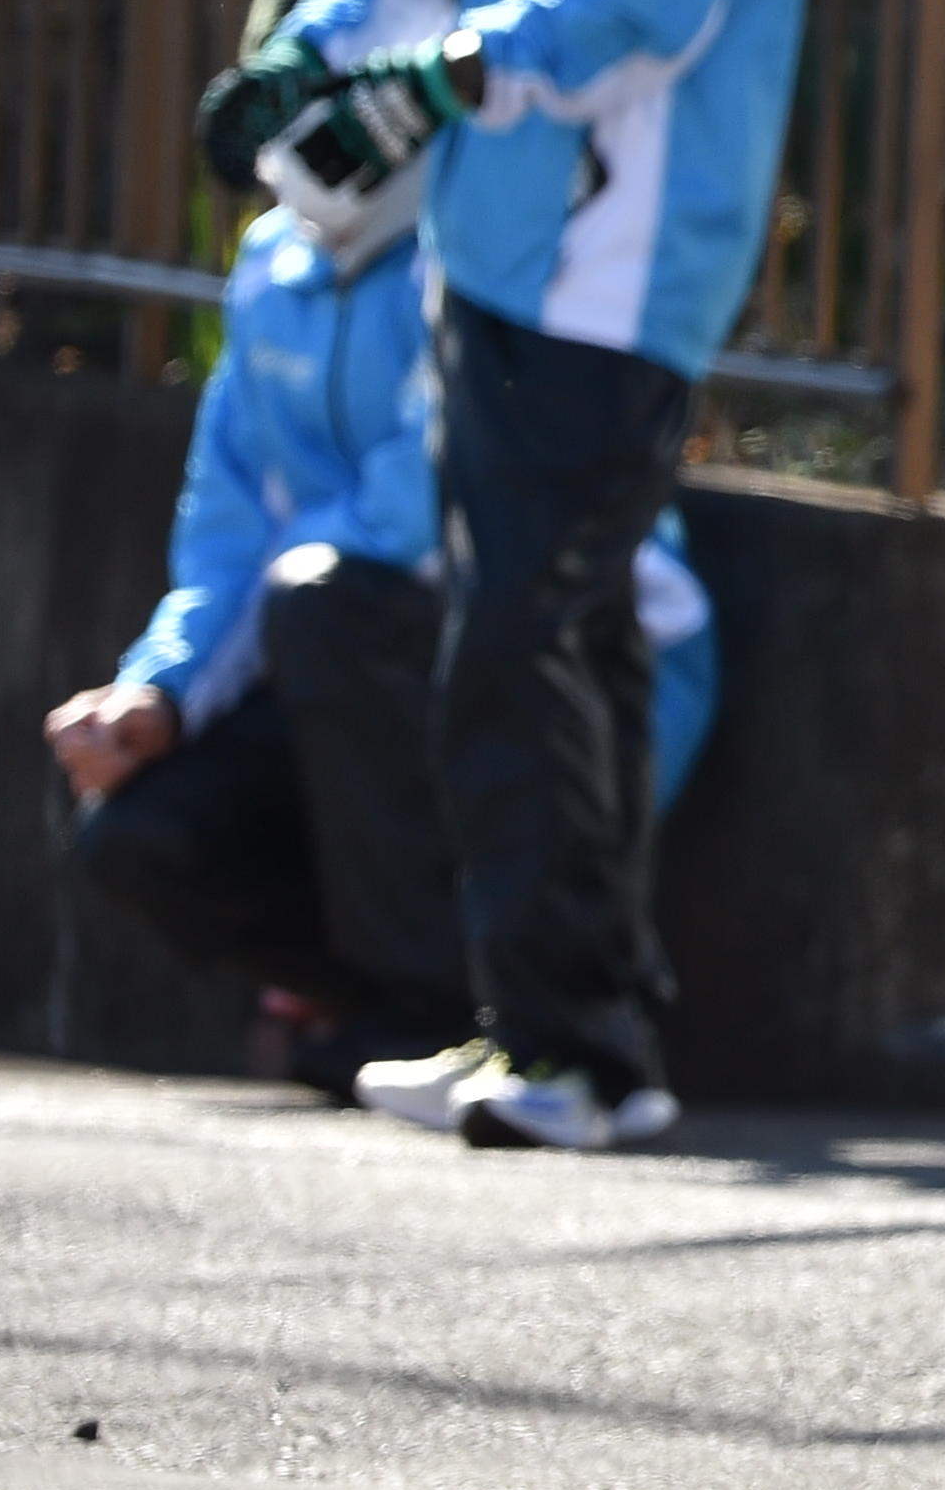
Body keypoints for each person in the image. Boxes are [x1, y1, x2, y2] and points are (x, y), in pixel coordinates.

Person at [195, 0, 841, 1157]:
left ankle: (570, 1042)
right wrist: (311, 51)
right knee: (549, 631)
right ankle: (567, 1029)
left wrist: (442, 77)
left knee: (516, 637)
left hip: (619, 237)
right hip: (507, 225)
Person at [49, 202, 721, 1107]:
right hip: (361, 665)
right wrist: (160, 692)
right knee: (140, 836)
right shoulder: (272, 263)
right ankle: (400, 1008)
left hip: (563, 685)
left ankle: (481, 1014)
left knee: (324, 604)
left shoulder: (488, 241)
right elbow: (229, 540)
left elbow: (404, 525)